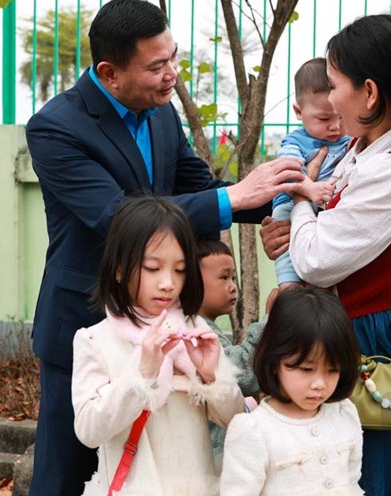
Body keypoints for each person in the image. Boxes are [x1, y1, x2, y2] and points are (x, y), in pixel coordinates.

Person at [24, 0, 309, 493]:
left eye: (173, 57)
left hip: (163, 323)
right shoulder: (55, 127)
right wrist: (236, 196)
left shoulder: (160, 113)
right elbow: (118, 216)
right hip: (83, 319)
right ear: (110, 73)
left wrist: (285, 200)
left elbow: (200, 187)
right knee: (66, 473)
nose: (172, 74)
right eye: (157, 66)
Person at [260, 14, 391, 496]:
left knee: (356, 471)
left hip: (363, 338)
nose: (330, 99)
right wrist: (291, 231)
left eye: (335, 86)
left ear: (369, 93)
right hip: (336, 327)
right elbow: (314, 242)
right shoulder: (364, 148)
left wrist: (302, 201)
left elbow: (315, 259)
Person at [71, 196, 242, 496]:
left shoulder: (193, 330)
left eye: (179, 270)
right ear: (119, 269)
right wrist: (141, 374)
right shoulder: (95, 340)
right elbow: (88, 430)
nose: (168, 283)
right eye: (153, 268)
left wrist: (211, 376)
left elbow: (236, 419)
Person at [220, 287, 363, 496]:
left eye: (332, 370)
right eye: (306, 369)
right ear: (275, 361)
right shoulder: (254, 431)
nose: (319, 384)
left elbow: (352, 481)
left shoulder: (344, 412)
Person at [196, 239, 278, 461]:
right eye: (224, 278)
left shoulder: (204, 325)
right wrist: (269, 322)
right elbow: (241, 372)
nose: (233, 286)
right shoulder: (197, 331)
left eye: (233, 278)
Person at [272, 58, 350, 290]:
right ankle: (288, 287)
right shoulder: (296, 141)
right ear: (299, 111)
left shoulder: (348, 140)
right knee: (286, 243)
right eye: (324, 119)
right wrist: (309, 188)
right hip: (290, 205)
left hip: (323, 210)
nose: (335, 126)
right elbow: (287, 172)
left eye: (341, 117)